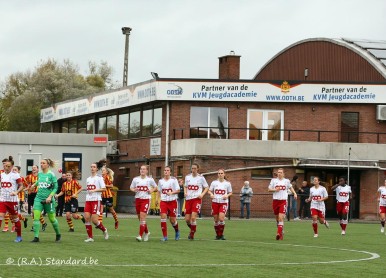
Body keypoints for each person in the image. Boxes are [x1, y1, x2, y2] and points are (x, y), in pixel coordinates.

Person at [29, 158, 61, 243]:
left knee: (52, 219)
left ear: (47, 165)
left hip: (49, 200)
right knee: (36, 217)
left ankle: (58, 234)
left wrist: (50, 197)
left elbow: (55, 187)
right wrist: (33, 185)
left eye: (43, 163)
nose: (41, 164)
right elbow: (39, 181)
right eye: (41, 163)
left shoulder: (51, 175)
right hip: (38, 198)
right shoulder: (39, 174)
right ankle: (36, 237)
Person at [268, 168, 297, 240]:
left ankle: (278, 234)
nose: (279, 173)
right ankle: (281, 230)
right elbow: (269, 189)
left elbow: (291, 187)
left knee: (281, 218)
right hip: (275, 201)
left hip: (283, 201)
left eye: (280, 172)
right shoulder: (273, 180)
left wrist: (295, 193)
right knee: (277, 218)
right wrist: (275, 189)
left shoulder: (286, 181)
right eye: (278, 172)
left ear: (283, 173)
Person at [0, 156, 25, 242]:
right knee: (0, 216)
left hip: (13, 201)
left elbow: (21, 186)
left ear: (11, 166)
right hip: (3, 199)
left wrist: (16, 192)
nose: (6, 167)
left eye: (8, 166)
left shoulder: (15, 175)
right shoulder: (1, 175)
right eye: (5, 166)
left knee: (15, 219)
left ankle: (19, 236)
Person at [130, 165, 157, 242]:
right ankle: (147, 232)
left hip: (146, 200)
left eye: (144, 169)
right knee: (140, 218)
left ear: (147, 171)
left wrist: (151, 191)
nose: (142, 170)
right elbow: (131, 187)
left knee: (142, 216)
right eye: (141, 169)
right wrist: (134, 189)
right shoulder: (135, 179)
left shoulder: (150, 179)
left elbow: (155, 187)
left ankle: (140, 235)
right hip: (138, 199)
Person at [83, 162, 109, 242]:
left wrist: (94, 190)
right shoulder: (88, 179)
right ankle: (90, 237)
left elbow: (104, 188)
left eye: (94, 167)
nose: (92, 168)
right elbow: (88, 189)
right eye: (91, 167)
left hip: (96, 200)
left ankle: (104, 230)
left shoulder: (99, 178)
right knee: (86, 218)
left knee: (94, 220)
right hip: (88, 200)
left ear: (97, 169)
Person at [184, 163, 208, 240]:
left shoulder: (201, 178)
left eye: (195, 168)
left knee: (193, 218)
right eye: (192, 168)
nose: (193, 170)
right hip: (188, 199)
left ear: (198, 169)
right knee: (187, 220)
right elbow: (185, 186)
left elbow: (206, 187)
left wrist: (202, 194)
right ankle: (193, 229)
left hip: (196, 199)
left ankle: (192, 234)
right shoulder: (187, 177)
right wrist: (185, 192)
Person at [156, 166, 180, 241]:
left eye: (167, 170)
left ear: (170, 172)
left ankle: (177, 231)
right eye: (165, 170)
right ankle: (165, 236)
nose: (166, 171)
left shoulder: (174, 180)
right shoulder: (160, 181)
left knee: (172, 220)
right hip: (163, 201)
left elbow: (178, 190)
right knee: (163, 216)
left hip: (172, 201)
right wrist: (157, 199)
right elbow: (159, 191)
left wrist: (172, 192)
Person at [209, 168, 232, 240]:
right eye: (219, 173)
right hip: (215, 202)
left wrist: (227, 195)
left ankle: (221, 235)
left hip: (223, 203)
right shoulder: (214, 182)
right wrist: (211, 194)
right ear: (217, 174)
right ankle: (217, 235)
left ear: (224, 174)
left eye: (221, 173)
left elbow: (231, 192)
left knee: (221, 219)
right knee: (216, 220)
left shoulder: (227, 183)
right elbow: (209, 191)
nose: (220, 175)